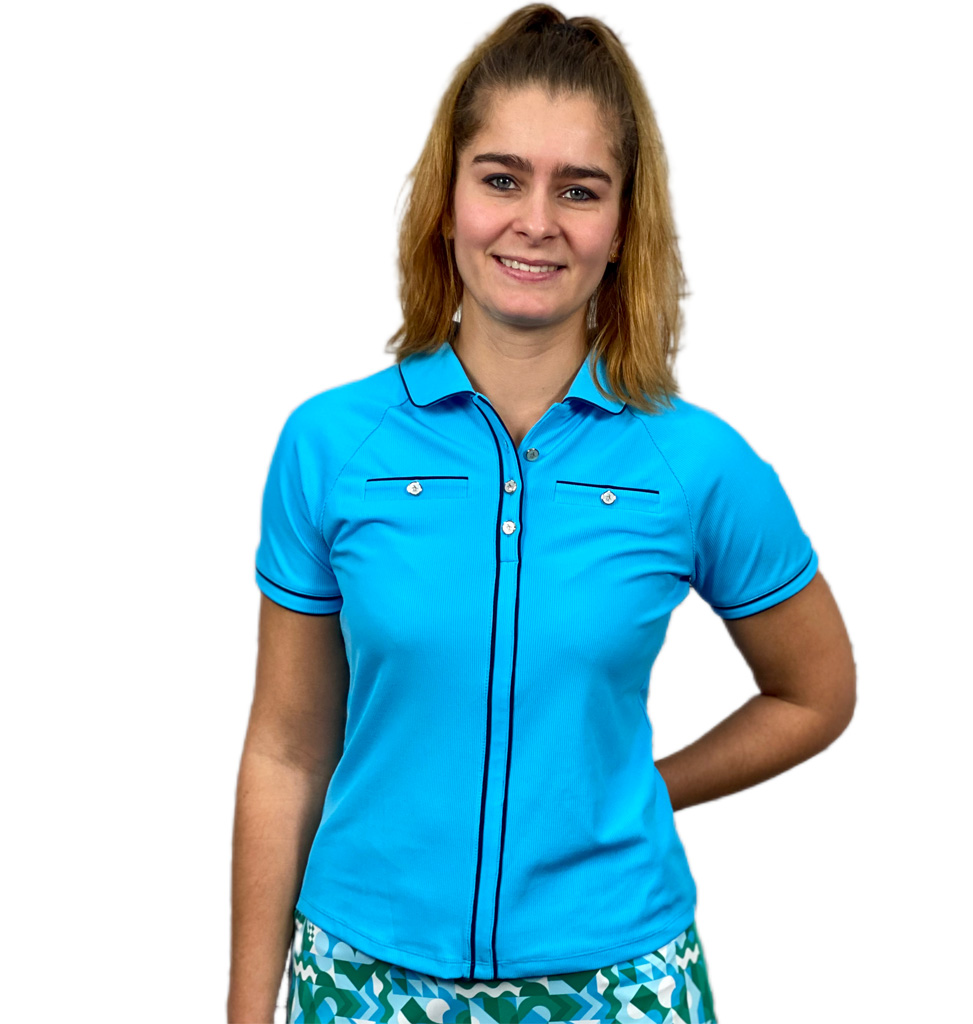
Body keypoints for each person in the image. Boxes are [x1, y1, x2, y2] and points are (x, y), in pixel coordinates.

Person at [228, 5, 857, 1022]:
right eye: (501, 178)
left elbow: (815, 693)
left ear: (622, 226)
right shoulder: (333, 444)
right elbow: (287, 747)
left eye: (579, 189)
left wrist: (645, 787)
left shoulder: (695, 462)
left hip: (618, 981)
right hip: (361, 979)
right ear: (447, 202)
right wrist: (246, 1009)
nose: (536, 221)